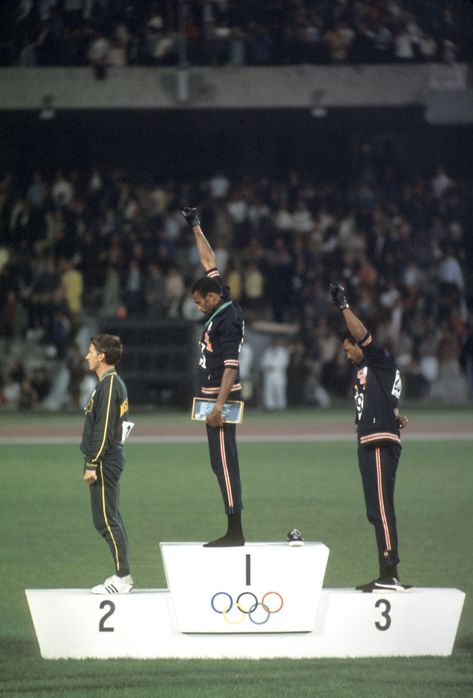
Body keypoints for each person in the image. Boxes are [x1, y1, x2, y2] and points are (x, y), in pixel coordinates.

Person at [330, 283, 412, 593]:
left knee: (382, 508)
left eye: (348, 347)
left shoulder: (379, 360)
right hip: (371, 439)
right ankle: (385, 573)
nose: (348, 354)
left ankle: (390, 574)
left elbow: (362, 334)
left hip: (378, 442)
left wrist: (343, 307)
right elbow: (387, 397)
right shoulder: (371, 370)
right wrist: (395, 413)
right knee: (375, 510)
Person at [182, 206, 245, 547]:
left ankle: (235, 531)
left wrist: (218, 407)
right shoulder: (220, 297)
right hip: (212, 396)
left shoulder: (227, 319)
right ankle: (233, 527)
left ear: (211, 297)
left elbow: (231, 366)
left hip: (222, 398)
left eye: (198, 302)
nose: (197, 307)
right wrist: (196, 226)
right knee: (218, 462)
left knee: (224, 461)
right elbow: (208, 261)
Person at [81, 334, 134, 593]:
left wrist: (92, 462)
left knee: (106, 520)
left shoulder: (110, 384)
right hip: (108, 457)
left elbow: (103, 430)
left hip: (104, 459)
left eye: (91, 351)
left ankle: (122, 577)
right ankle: (123, 575)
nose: (87, 356)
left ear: (102, 356)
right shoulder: (109, 383)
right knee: (110, 517)